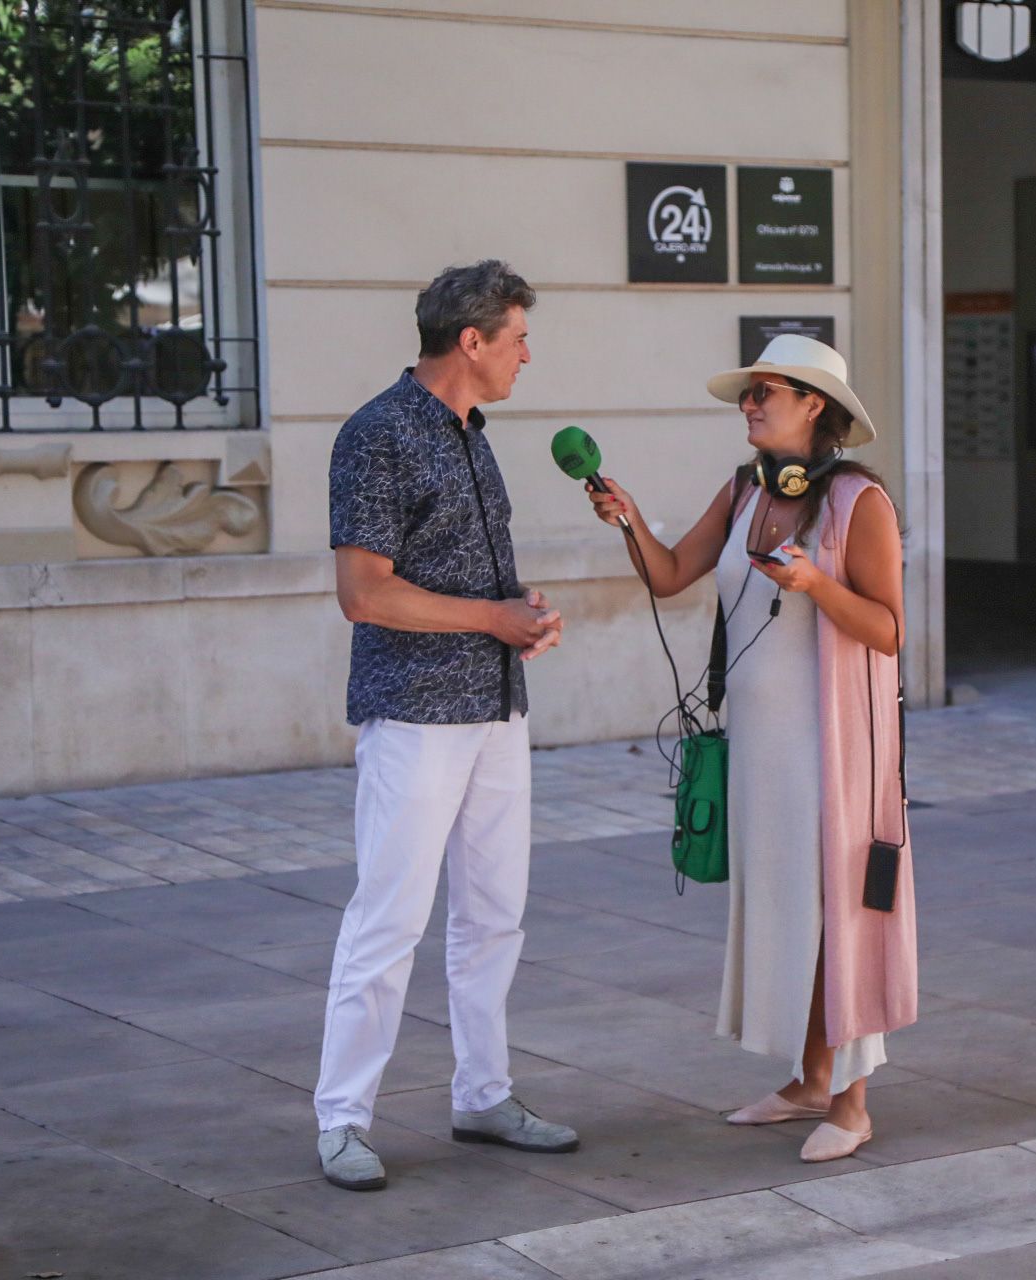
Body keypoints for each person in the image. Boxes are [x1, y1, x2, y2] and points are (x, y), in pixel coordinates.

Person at [586, 335, 917, 1164]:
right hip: (761, 745)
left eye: (767, 390)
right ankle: (808, 1080)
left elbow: (888, 628)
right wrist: (629, 519)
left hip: (834, 747)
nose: (750, 402)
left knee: (836, 909)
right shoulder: (743, 492)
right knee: (782, 906)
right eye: (748, 392)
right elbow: (669, 576)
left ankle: (852, 1101)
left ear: (814, 405)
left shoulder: (858, 502)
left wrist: (817, 586)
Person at [314, 261, 576, 1192]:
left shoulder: (474, 435)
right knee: (388, 919)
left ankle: (484, 1095)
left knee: (494, 916)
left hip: (497, 711)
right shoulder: (376, 434)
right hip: (416, 717)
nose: (525, 355)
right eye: (517, 338)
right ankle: (342, 1120)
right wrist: (490, 619)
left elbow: (457, 583)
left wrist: (519, 612)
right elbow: (364, 592)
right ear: (472, 341)